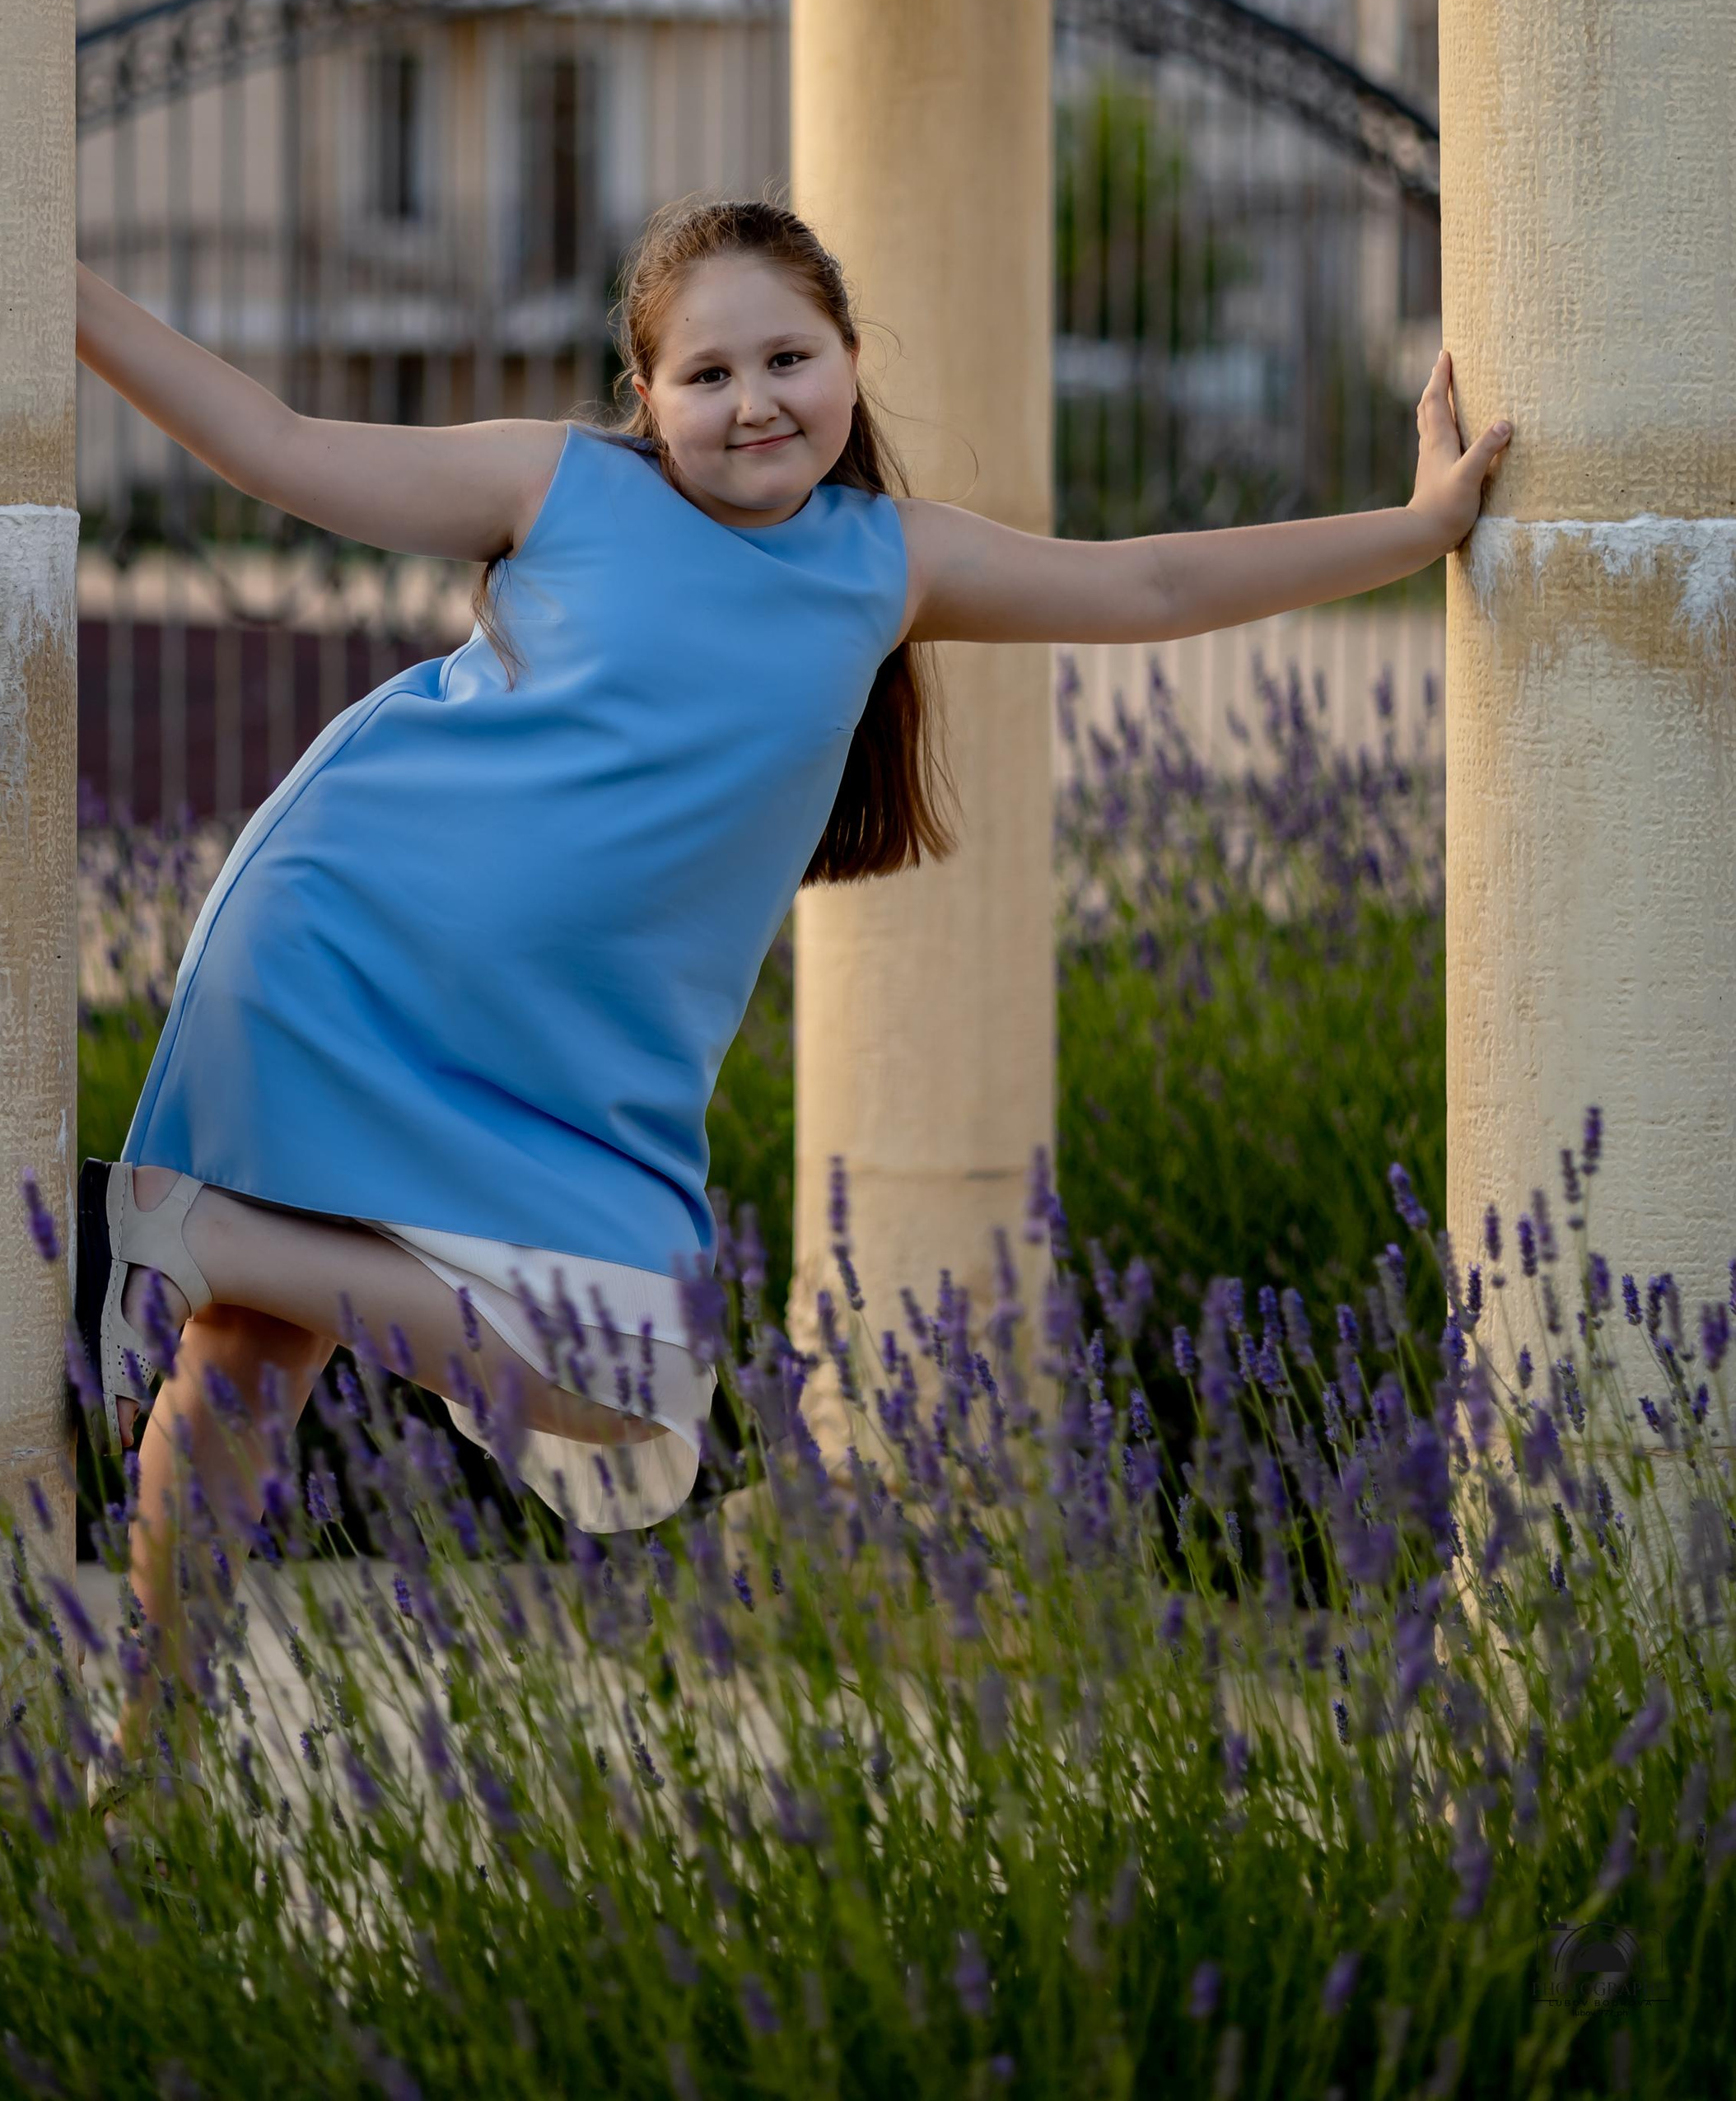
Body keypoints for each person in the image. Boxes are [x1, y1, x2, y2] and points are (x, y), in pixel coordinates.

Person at [72, 194, 1509, 1590]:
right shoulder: (557, 484)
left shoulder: (889, 559)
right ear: (646, 396)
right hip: (352, 943)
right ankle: (158, 1725)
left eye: (788, 359)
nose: (754, 402)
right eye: (708, 374)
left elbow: (1152, 589)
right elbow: (273, 444)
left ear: (850, 362)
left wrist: (1416, 527)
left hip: (563, 1059)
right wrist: (57, 289)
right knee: (247, 1363)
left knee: (627, 1380)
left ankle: (195, 1233)